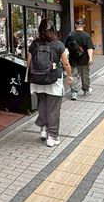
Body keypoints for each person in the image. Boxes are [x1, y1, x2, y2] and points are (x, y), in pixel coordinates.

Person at [27, 19, 73, 147]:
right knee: (53, 109)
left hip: (37, 80)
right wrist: (69, 76)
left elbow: (28, 63)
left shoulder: (34, 44)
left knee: (42, 105)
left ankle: (43, 128)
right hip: (53, 80)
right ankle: (52, 136)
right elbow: (66, 63)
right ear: (53, 30)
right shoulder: (58, 44)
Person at [65, 19, 95, 100]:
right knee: (85, 76)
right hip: (84, 60)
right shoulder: (86, 36)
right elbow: (89, 48)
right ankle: (86, 90)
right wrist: (90, 58)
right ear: (84, 25)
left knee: (73, 76)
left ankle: (74, 92)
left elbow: (66, 47)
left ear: (75, 25)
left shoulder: (70, 35)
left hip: (72, 59)